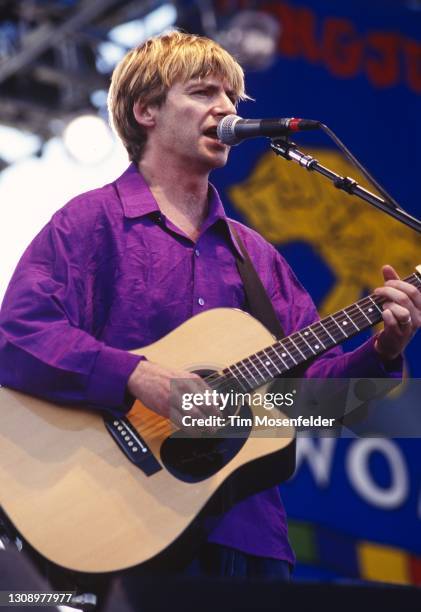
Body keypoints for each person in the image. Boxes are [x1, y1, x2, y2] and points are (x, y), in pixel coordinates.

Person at [0, 31, 420, 582]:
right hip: (119, 523)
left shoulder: (258, 257)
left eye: (230, 96)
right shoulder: (91, 222)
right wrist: (136, 376)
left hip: (253, 539)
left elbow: (317, 399)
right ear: (145, 110)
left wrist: (383, 348)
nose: (224, 108)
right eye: (202, 92)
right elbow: (18, 337)